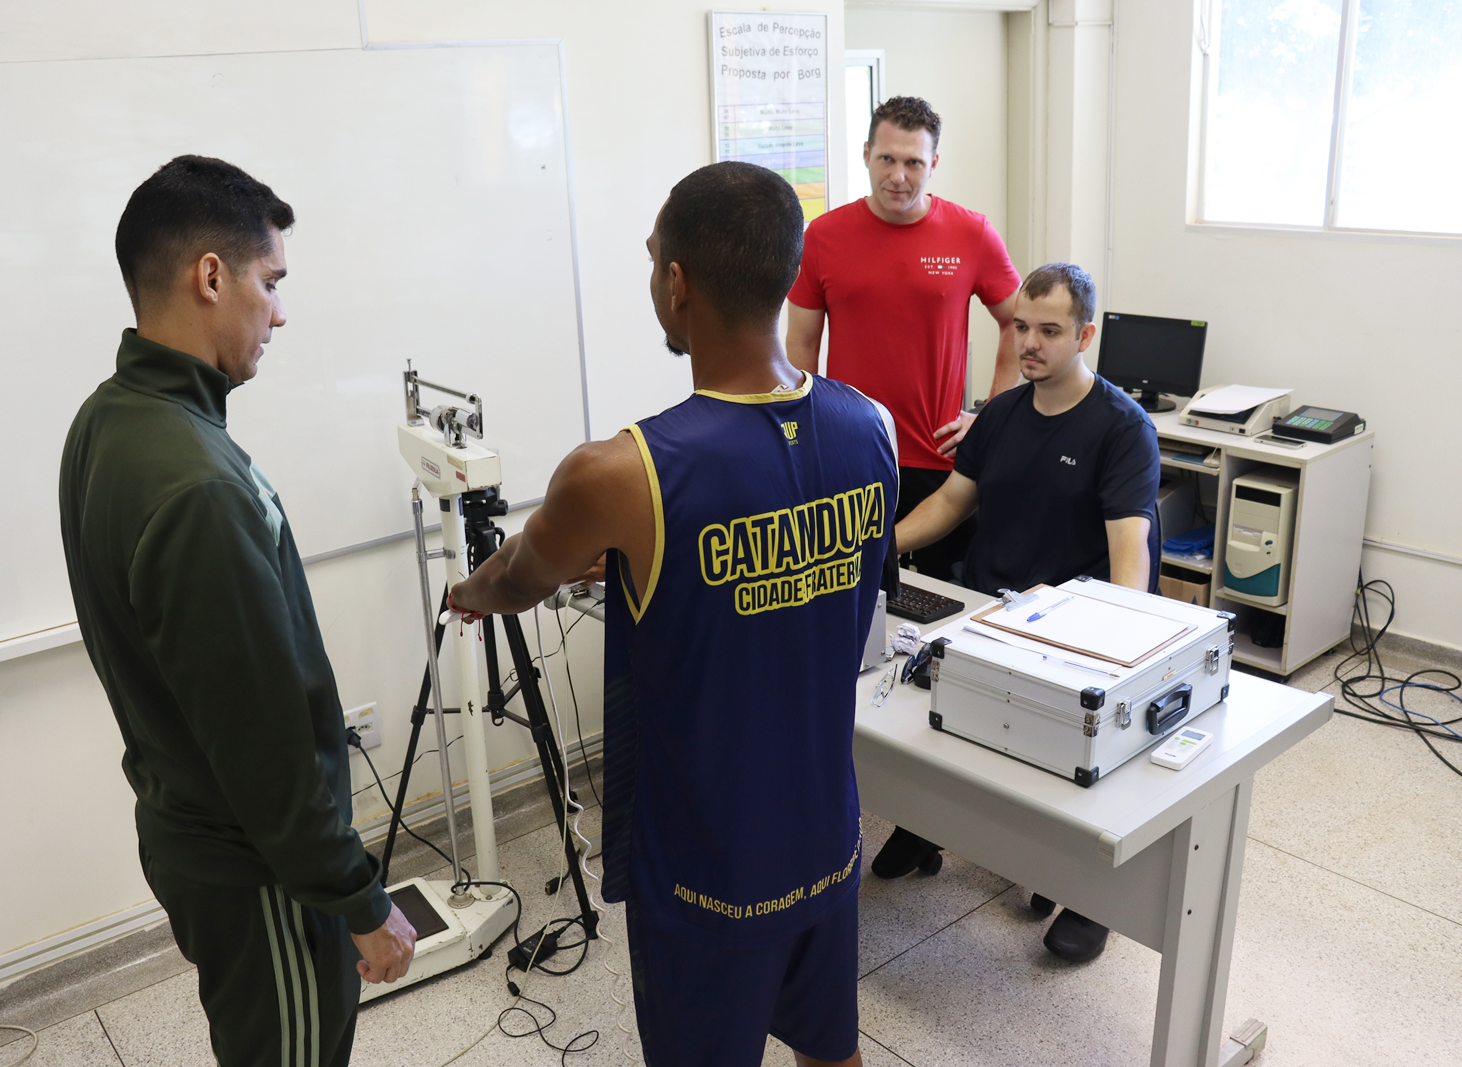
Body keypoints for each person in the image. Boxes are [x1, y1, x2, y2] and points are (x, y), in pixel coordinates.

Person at [449, 162, 898, 1067]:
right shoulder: (872, 424)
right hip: (824, 831)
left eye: (655, 258)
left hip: (706, 867)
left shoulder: (620, 472)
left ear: (678, 282)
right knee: (831, 1050)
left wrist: (468, 591)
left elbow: (517, 578)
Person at [59, 155, 416, 1067]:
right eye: (272, 281)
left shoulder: (108, 419)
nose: (281, 311)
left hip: (194, 833)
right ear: (210, 277)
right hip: (263, 878)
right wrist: (360, 902)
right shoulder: (196, 484)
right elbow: (263, 744)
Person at [893, 261, 1161, 963]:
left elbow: (1129, 551)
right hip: (985, 607)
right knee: (927, 723)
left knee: (1074, 767)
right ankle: (925, 822)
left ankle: (1092, 895)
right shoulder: (1003, 412)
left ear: (1085, 336)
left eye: (1049, 330)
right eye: (1021, 327)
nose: (1029, 343)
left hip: (1069, 628)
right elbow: (953, 502)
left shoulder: (1121, 429)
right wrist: (877, 545)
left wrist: (1118, 653)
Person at [786, 95, 1022, 582]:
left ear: (933, 163)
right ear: (866, 153)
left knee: (948, 606)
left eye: (914, 162)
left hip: (941, 458)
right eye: (886, 159)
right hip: (850, 452)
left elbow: (1018, 322)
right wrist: (802, 436)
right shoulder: (823, 237)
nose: (898, 175)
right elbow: (801, 348)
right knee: (850, 593)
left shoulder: (971, 233)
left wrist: (989, 417)